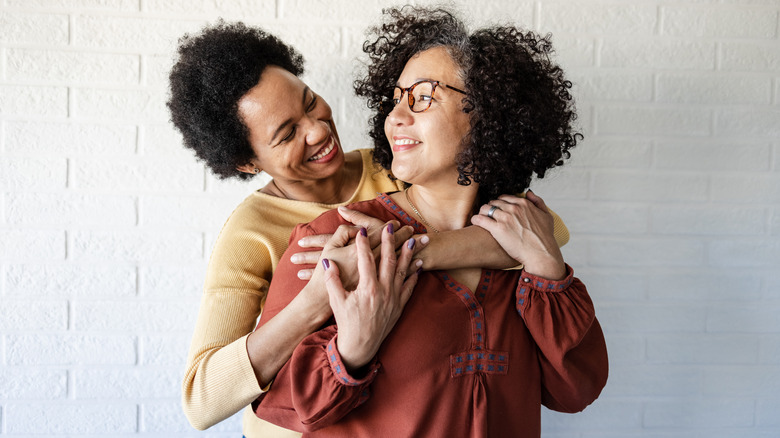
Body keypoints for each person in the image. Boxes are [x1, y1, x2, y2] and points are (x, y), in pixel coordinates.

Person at [167, 20, 571, 437]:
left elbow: (546, 233)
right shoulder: (250, 232)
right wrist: (316, 300)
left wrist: (402, 254)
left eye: (310, 103)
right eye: (287, 134)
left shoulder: (398, 166)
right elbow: (201, 401)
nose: (319, 130)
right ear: (247, 163)